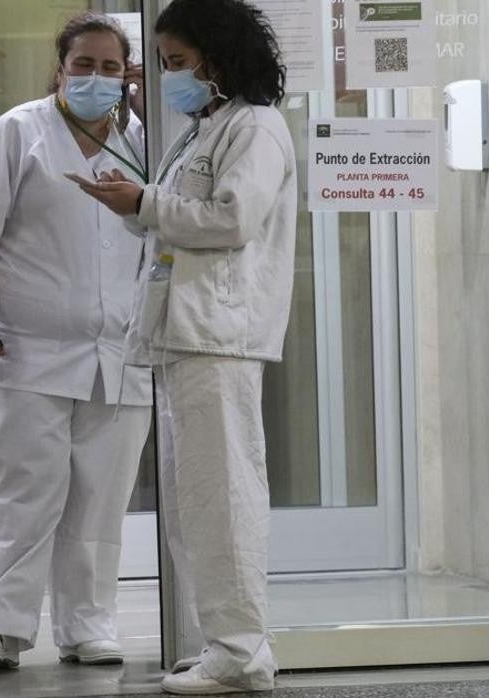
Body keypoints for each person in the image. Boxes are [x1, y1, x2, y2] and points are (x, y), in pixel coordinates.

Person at [73, 0, 296, 693]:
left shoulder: (256, 128)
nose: (165, 77)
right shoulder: (206, 130)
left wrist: (142, 204)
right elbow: (178, 217)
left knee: (222, 497)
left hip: (218, 336)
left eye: (175, 63)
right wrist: (138, 202)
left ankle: (239, 655)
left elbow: (231, 220)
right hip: (185, 336)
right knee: (198, 499)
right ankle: (227, 646)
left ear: (217, 58)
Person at [0, 13, 154, 671]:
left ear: (129, 76)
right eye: (82, 65)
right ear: (59, 70)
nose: (95, 77)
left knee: (100, 498)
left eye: (109, 67)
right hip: (27, 348)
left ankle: (87, 625)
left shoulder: (147, 143)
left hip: (121, 353)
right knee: (23, 490)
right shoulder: (19, 133)